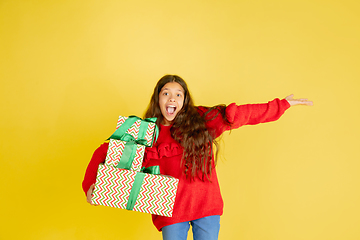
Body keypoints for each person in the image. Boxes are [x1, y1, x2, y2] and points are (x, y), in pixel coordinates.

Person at [82, 75, 313, 240]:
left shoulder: (202, 121)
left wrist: (281, 105)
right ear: (158, 99)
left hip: (206, 206)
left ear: (184, 100)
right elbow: (103, 152)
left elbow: (241, 115)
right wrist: (90, 185)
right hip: (171, 210)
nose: (171, 98)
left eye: (177, 94)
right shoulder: (143, 132)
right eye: (166, 93)